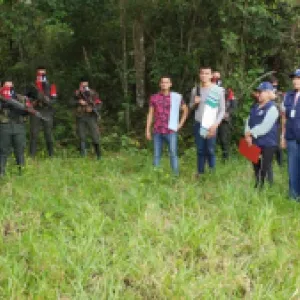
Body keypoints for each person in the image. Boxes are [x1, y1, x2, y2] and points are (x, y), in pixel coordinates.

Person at [145, 75, 188, 175]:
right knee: (156, 154)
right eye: (162, 82)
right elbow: (150, 113)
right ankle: (155, 175)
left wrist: (180, 124)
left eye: (166, 82)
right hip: (157, 130)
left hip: (171, 130)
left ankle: (175, 175)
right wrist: (147, 129)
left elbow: (185, 110)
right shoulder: (154, 98)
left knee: (173, 153)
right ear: (160, 84)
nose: (164, 84)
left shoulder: (176, 97)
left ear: (170, 84)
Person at [189, 66, 225, 177]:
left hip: (211, 124)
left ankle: (212, 174)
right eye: (202, 73)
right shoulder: (196, 90)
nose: (204, 75)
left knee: (210, 150)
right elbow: (191, 107)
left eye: (207, 73)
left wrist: (215, 124)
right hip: (199, 123)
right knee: (200, 150)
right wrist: (195, 103)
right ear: (199, 75)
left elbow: (222, 109)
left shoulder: (217, 90)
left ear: (211, 75)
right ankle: (200, 173)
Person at [244, 82, 278, 189]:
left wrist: (251, 133)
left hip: (268, 142)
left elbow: (265, 126)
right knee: (255, 165)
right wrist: (247, 134)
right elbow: (248, 121)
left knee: (265, 167)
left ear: (268, 93)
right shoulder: (255, 107)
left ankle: (266, 187)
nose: (259, 94)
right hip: (254, 141)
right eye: (258, 92)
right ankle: (257, 185)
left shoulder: (272, 108)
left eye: (261, 92)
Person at [0, 79, 29, 176]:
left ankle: (22, 172)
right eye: (6, 86)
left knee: (20, 150)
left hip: (18, 126)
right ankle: (1, 173)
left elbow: (27, 110)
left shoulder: (20, 98)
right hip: (5, 127)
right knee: (3, 150)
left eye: (11, 86)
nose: (9, 88)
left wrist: (19, 108)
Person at [27, 66, 57, 157]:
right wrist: (34, 102)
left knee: (48, 134)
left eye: (43, 73)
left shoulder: (51, 85)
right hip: (35, 111)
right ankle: (32, 156)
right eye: (39, 73)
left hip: (47, 111)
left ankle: (51, 155)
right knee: (34, 134)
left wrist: (48, 101)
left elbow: (54, 99)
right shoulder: (32, 86)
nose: (41, 75)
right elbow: (26, 98)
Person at [281, 69, 300, 200]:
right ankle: (293, 196)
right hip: (292, 136)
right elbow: (284, 117)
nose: (295, 81)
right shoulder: (288, 96)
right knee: (292, 167)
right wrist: (282, 136)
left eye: (298, 78)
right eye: (294, 78)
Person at [72, 78, 102, 159]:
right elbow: (70, 102)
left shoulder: (93, 93)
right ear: (80, 85)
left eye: (86, 85)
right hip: (80, 116)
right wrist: (79, 102)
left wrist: (92, 108)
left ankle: (98, 155)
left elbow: (99, 104)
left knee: (95, 135)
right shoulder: (76, 93)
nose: (84, 87)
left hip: (91, 117)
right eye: (83, 85)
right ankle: (83, 156)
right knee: (82, 136)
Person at [212, 71, 236, 161]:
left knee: (223, 140)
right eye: (214, 78)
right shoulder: (207, 88)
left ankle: (225, 160)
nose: (216, 79)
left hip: (223, 120)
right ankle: (211, 160)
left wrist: (228, 113)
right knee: (211, 141)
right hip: (211, 119)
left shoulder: (227, 90)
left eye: (218, 78)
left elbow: (233, 104)